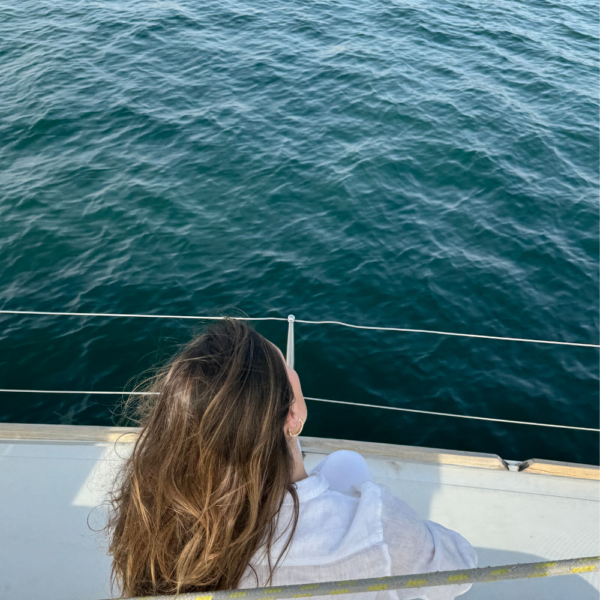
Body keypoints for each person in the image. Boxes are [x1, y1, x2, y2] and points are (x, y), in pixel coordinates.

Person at [106, 318, 476, 600]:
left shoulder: (153, 514)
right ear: (292, 417)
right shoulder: (373, 525)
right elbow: (462, 569)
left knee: (343, 464)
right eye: (288, 370)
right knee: (348, 466)